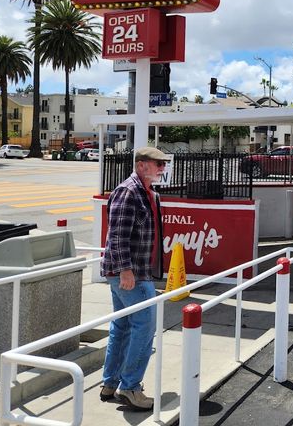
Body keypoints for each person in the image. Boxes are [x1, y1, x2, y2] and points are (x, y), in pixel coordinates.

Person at [99, 146, 169, 411]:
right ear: (141, 165)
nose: (162, 167)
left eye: (163, 163)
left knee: (124, 326)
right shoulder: (129, 191)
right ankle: (130, 387)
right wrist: (125, 270)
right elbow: (116, 235)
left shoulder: (145, 192)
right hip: (131, 274)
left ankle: (111, 382)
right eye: (157, 163)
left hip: (134, 272)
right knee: (144, 326)